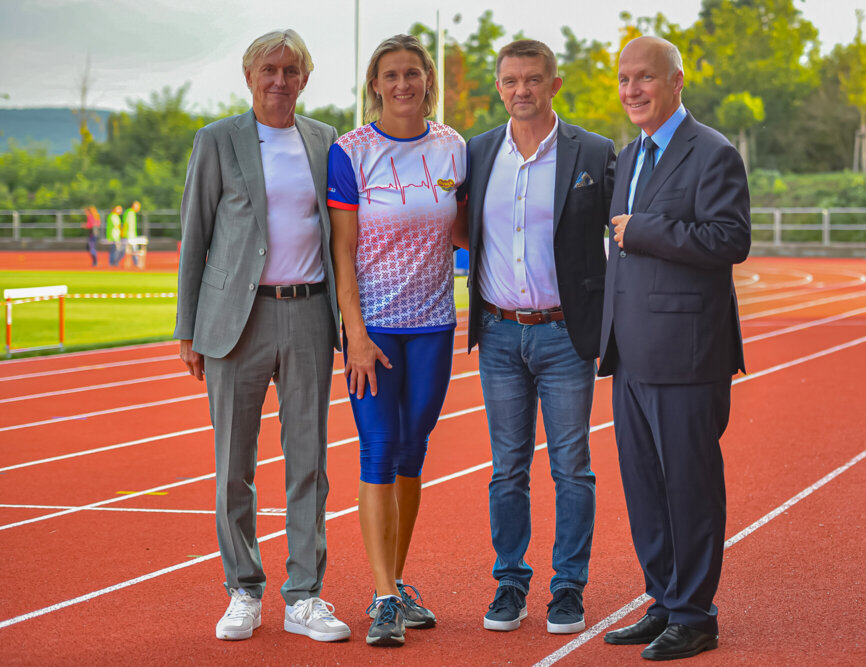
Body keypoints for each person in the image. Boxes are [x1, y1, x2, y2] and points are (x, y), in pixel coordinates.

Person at [174, 29, 349, 644]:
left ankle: (304, 595)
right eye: (269, 69)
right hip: (233, 321)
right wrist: (188, 328)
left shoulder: (327, 141)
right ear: (250, 76)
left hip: (306, 315)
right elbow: (195, 235)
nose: (280, 80)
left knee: (308, 461)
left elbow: (341, 234)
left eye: (291, 69)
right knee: (233, 467)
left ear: (305, 77)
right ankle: (243, 588)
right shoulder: (217, 140)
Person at [598, 36, 751, 661]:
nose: (633, 90)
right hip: (630, 351)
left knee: (689, 487)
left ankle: (695, 615)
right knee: (644, 488)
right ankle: (662, 601)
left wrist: (646, 231)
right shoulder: (629, 154)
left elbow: (730, 239)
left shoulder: (711, 152)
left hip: (687, 353)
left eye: (646, 79)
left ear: (676, 81)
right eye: (624, 79)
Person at [455, 39, 614, 635]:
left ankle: (568, 588)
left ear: (554, 83)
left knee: (572, 467)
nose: (521, 90)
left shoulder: (593, 152)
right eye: (510, 80)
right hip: (498, 334)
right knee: (507, 469)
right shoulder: (478, 152)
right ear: (498, 86)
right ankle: (510, 584)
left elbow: (623, 232)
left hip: (565, 336)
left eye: (533, 79)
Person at [326, 34, 466, 647]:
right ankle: (383, 597)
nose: (403, 84)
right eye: (391, 75)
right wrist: (353, 333)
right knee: (378, 450)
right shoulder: (350, 152)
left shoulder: (453, 147)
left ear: (428, 81)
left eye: (413, 73)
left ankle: (397, 581)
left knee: (413, 452)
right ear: (375, 84)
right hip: (375, 331)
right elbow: (343, 250)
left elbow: (465, 228)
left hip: (434, 326)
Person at [122, 200, 141, 267]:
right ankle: (136, 263)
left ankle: (136, 263)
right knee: (132, 250)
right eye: (138, 206)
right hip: (129, 235)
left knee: (130, 250)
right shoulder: (130, 212)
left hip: (130, 234)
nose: (139, 208)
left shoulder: (131, 212)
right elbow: (127, 224)